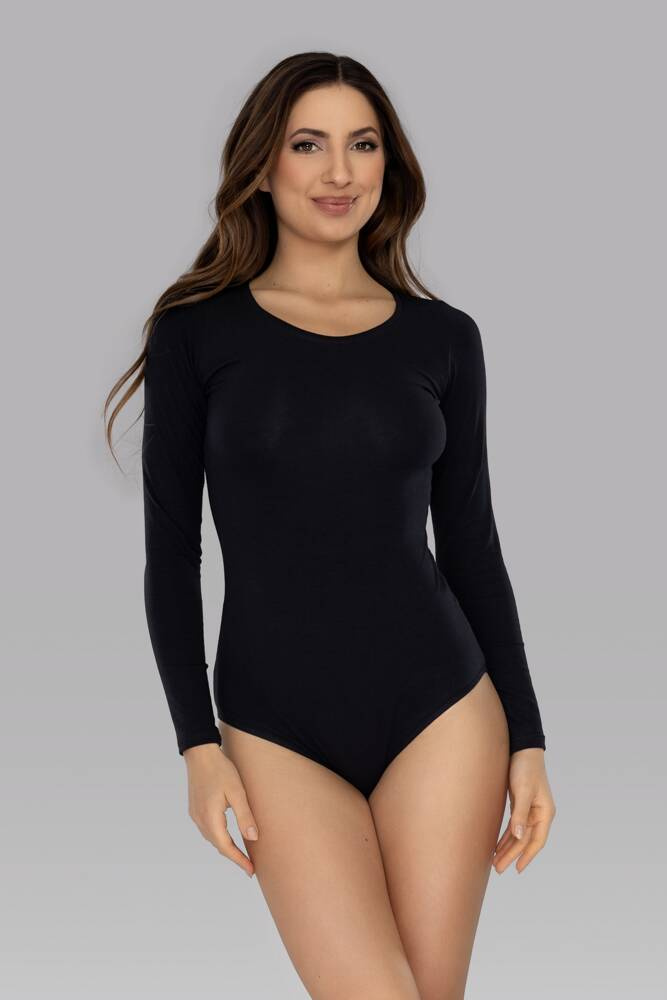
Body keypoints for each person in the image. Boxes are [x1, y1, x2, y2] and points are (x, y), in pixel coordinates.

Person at [105, 51, 556, 1000]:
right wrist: (196, 744)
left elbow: (472, 545)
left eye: (363, 144)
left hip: (442, 709)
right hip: (275, 725)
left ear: (390, 164)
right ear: (262, 165)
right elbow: (170, 554)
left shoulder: (444, 338)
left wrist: (527, 736)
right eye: (308, 144)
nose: (339, 171)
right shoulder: (197, 332)